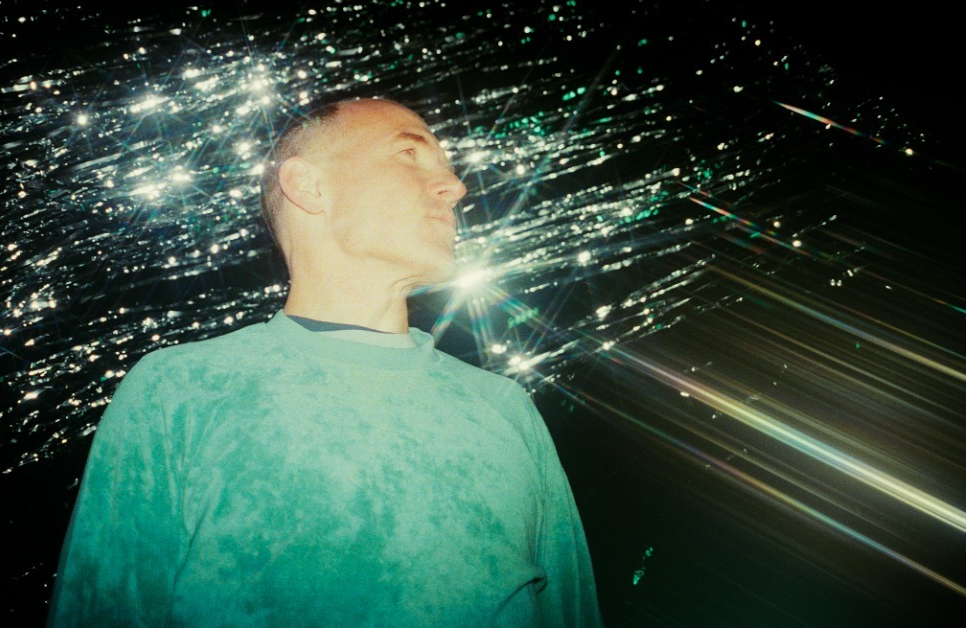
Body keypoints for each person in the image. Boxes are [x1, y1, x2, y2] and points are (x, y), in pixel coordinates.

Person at [47, 97, 602, 626]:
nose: (456, 187)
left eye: (450, 168)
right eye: (409, 153)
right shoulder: (180, 390)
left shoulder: (504, 408)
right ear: (309, 186)